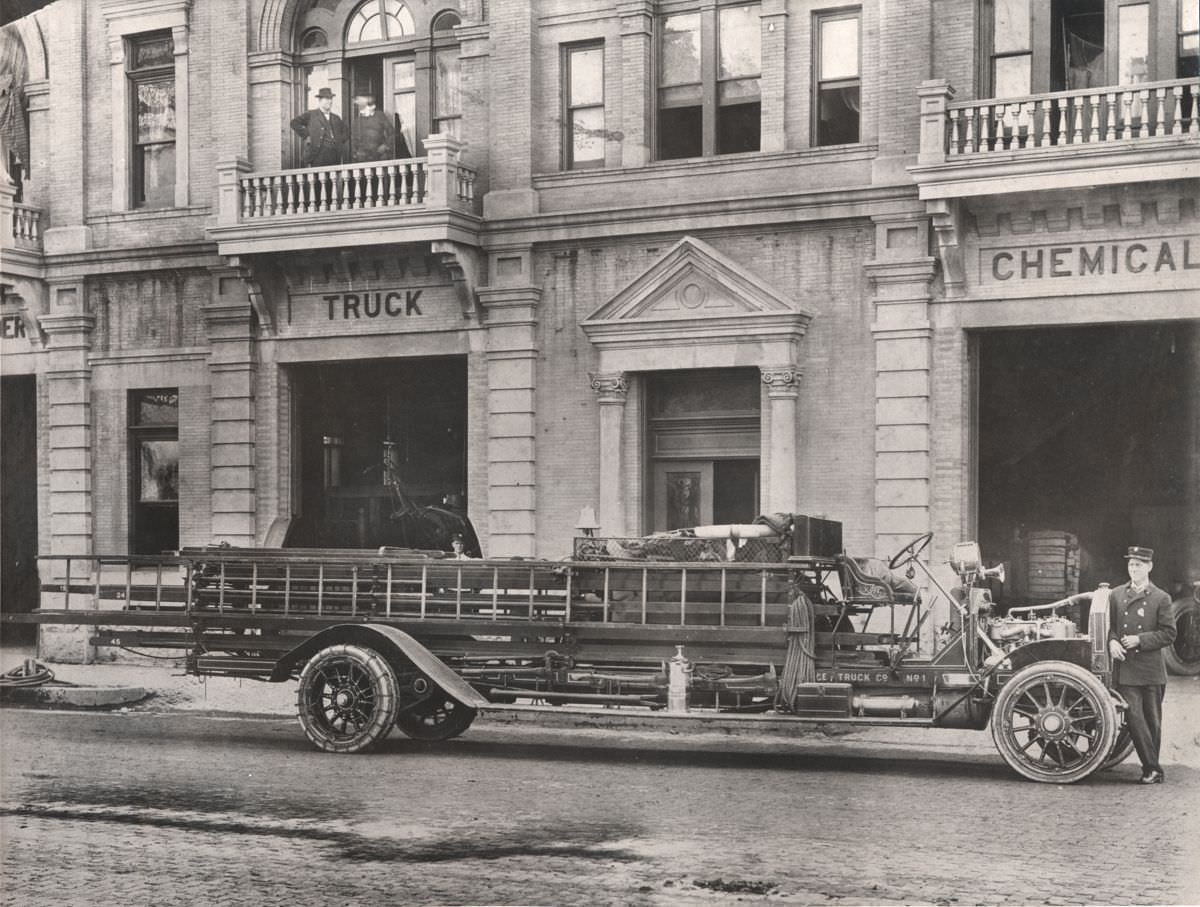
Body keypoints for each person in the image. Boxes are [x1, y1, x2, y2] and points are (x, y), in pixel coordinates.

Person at [1107, 545, 1176, 784]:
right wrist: (1112, 642)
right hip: (1126, 668)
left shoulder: (1161, 598)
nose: (1133, 569)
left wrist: (1140, 639)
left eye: (1138, 565)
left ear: (1149, 567)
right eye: (1130, 565)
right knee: (1135, 718)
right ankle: (1152, 768)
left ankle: (1152, 768)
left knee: (1153, 722)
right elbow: (1109, 628)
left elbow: (1169, 634)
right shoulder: (1115, 595)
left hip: (1151, 669)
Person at [289, 87, 347, 167]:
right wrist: (307, 134)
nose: (330, 101)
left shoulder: (336, 118)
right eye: (327, 99)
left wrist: (338, 141)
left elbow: (347, 132)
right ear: (320, 100)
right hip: (318, 155)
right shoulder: (311, 114)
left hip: (335, 156)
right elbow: (294, 123)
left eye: (331, 99)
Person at [351, 92, 394, 163]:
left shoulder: (379, 115)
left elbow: (392, 133)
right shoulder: (357, 121)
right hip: (363, 159)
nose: (356, 102)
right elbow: (354, 140)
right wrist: (356, 153)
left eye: (359, 99)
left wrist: (385, 145)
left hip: (380, 157)